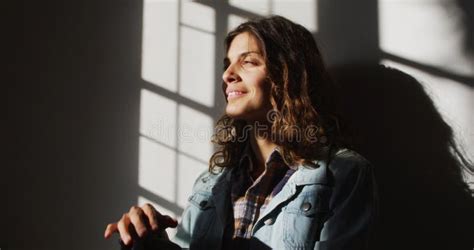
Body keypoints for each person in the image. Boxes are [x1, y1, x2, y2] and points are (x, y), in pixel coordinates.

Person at [104, 15, 378, 250]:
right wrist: (149, 241)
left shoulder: (344, 173)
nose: (228, 75)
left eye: (248, 61)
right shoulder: (210, 183)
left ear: (288, 75)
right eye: (227, 64)